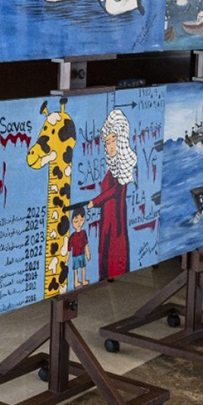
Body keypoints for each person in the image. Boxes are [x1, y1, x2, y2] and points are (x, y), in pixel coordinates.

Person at [86, 109, 137, 280]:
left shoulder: (122, 167)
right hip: (107, 220)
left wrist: (95, 202)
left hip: (115, 222)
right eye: (107, 142)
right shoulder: (112, 168)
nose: (111, 146)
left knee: (115, 253)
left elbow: (115, 190)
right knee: (106, 253)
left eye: (113, 140)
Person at [68, 210, 90, 289]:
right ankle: (76, 282)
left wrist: (88, 253)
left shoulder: (83, 233)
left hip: (82, 254)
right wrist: (67, 259)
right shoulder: (72, 236)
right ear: (72, 221)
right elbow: (69, 249)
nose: (79, 223)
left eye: (81, 220)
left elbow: (86, 244)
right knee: (76, 269)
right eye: (76, 221)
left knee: (83, 267)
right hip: (75, 256)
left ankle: (83, 280)